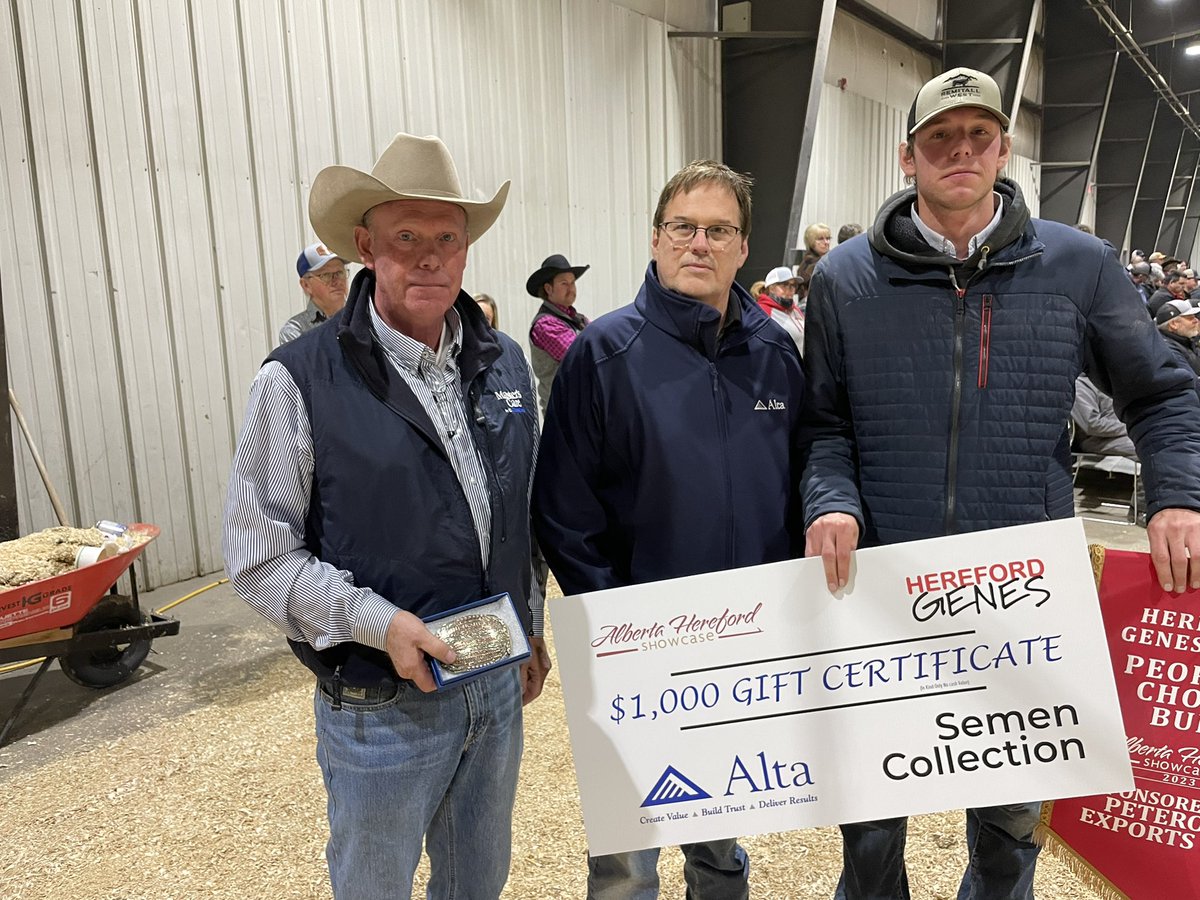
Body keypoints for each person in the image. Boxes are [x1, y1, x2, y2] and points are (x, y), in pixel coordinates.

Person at [801, 66, 1200, 900]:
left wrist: (1176, 495)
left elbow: (1162, 392)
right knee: (871, 816)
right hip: (884, 588)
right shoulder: (845, 279)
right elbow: (825, 424)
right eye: (940, 137)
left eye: (978, 135)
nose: (961, 151)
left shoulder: (1078, 266)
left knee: (1009, 820)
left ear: (1003, 148)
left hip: (1022, 591)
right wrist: (831, 501)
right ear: (906, 155)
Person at [223, 133, 551, 900]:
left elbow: (520, 512)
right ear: (366, 246)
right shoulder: (297, 379)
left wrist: (529, 622)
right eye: (407, 237)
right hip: (381, 706)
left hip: (494, 683)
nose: (430, 256)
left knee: (478, 883)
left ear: (467, 249)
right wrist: (379, 624)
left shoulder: (502, 361)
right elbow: (259, 557)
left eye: (448, 238)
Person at [533, 160, 806, 900]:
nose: (699, 244)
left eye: (719, 230)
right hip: (635, 649)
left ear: (743, 248)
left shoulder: (777, 356)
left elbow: (795, 497)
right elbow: (562, 509)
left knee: (720, 826)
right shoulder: (604, 355)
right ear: (655, 239)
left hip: (742, 645)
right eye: (683, 227)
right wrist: (619, 624)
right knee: (627, 848)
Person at [527, 253, 590, 416]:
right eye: (564, 283)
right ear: (548, 288)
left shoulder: (578, 318)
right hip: (564, 414)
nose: (571, 288)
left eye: (572, 283)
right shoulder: (545, 324)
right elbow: (583, 356)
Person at [278, 242, 349, 344]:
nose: (337, 281)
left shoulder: (363, 317)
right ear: (306, 285)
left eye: (340, 273)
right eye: (326, 275)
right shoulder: (296, 331)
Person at [757, 265, 805, 353]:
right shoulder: (763, 312)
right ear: (771, 288)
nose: (790, 290)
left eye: (793, 285)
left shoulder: (794, 309)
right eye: (785, 285)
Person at [1155, 298, 1200, 383]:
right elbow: (1192, 382)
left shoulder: (1185, 339)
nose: (1196, 320)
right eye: (1190, 318)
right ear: (1173, 324)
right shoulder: (1169, 349)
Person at [794, 222, 831, 298]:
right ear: (811, 241)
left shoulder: (831, 260)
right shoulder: (807, 264)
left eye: (828, 238)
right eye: (821, 239)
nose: (826, 242)